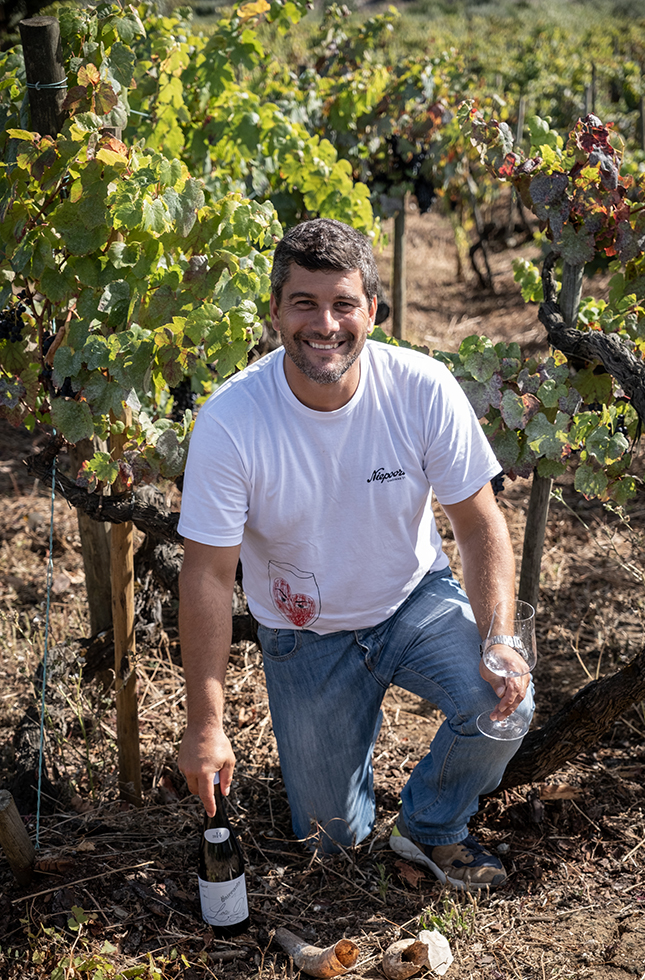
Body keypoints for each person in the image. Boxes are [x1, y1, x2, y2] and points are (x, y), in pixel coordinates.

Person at [177, 218, 533, 890]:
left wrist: (500, 638)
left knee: (503, 706)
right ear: (276, 311)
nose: (325, 324)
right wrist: (204, 725)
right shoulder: (231, 421)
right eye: (304, 304)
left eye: (343, 304)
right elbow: (206, 575)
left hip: (411, 601)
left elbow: (480, 524)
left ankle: (428, 829)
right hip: (304, 634)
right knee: (328, 844)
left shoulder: (421, 387)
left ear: (372, 310)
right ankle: (346, 787)